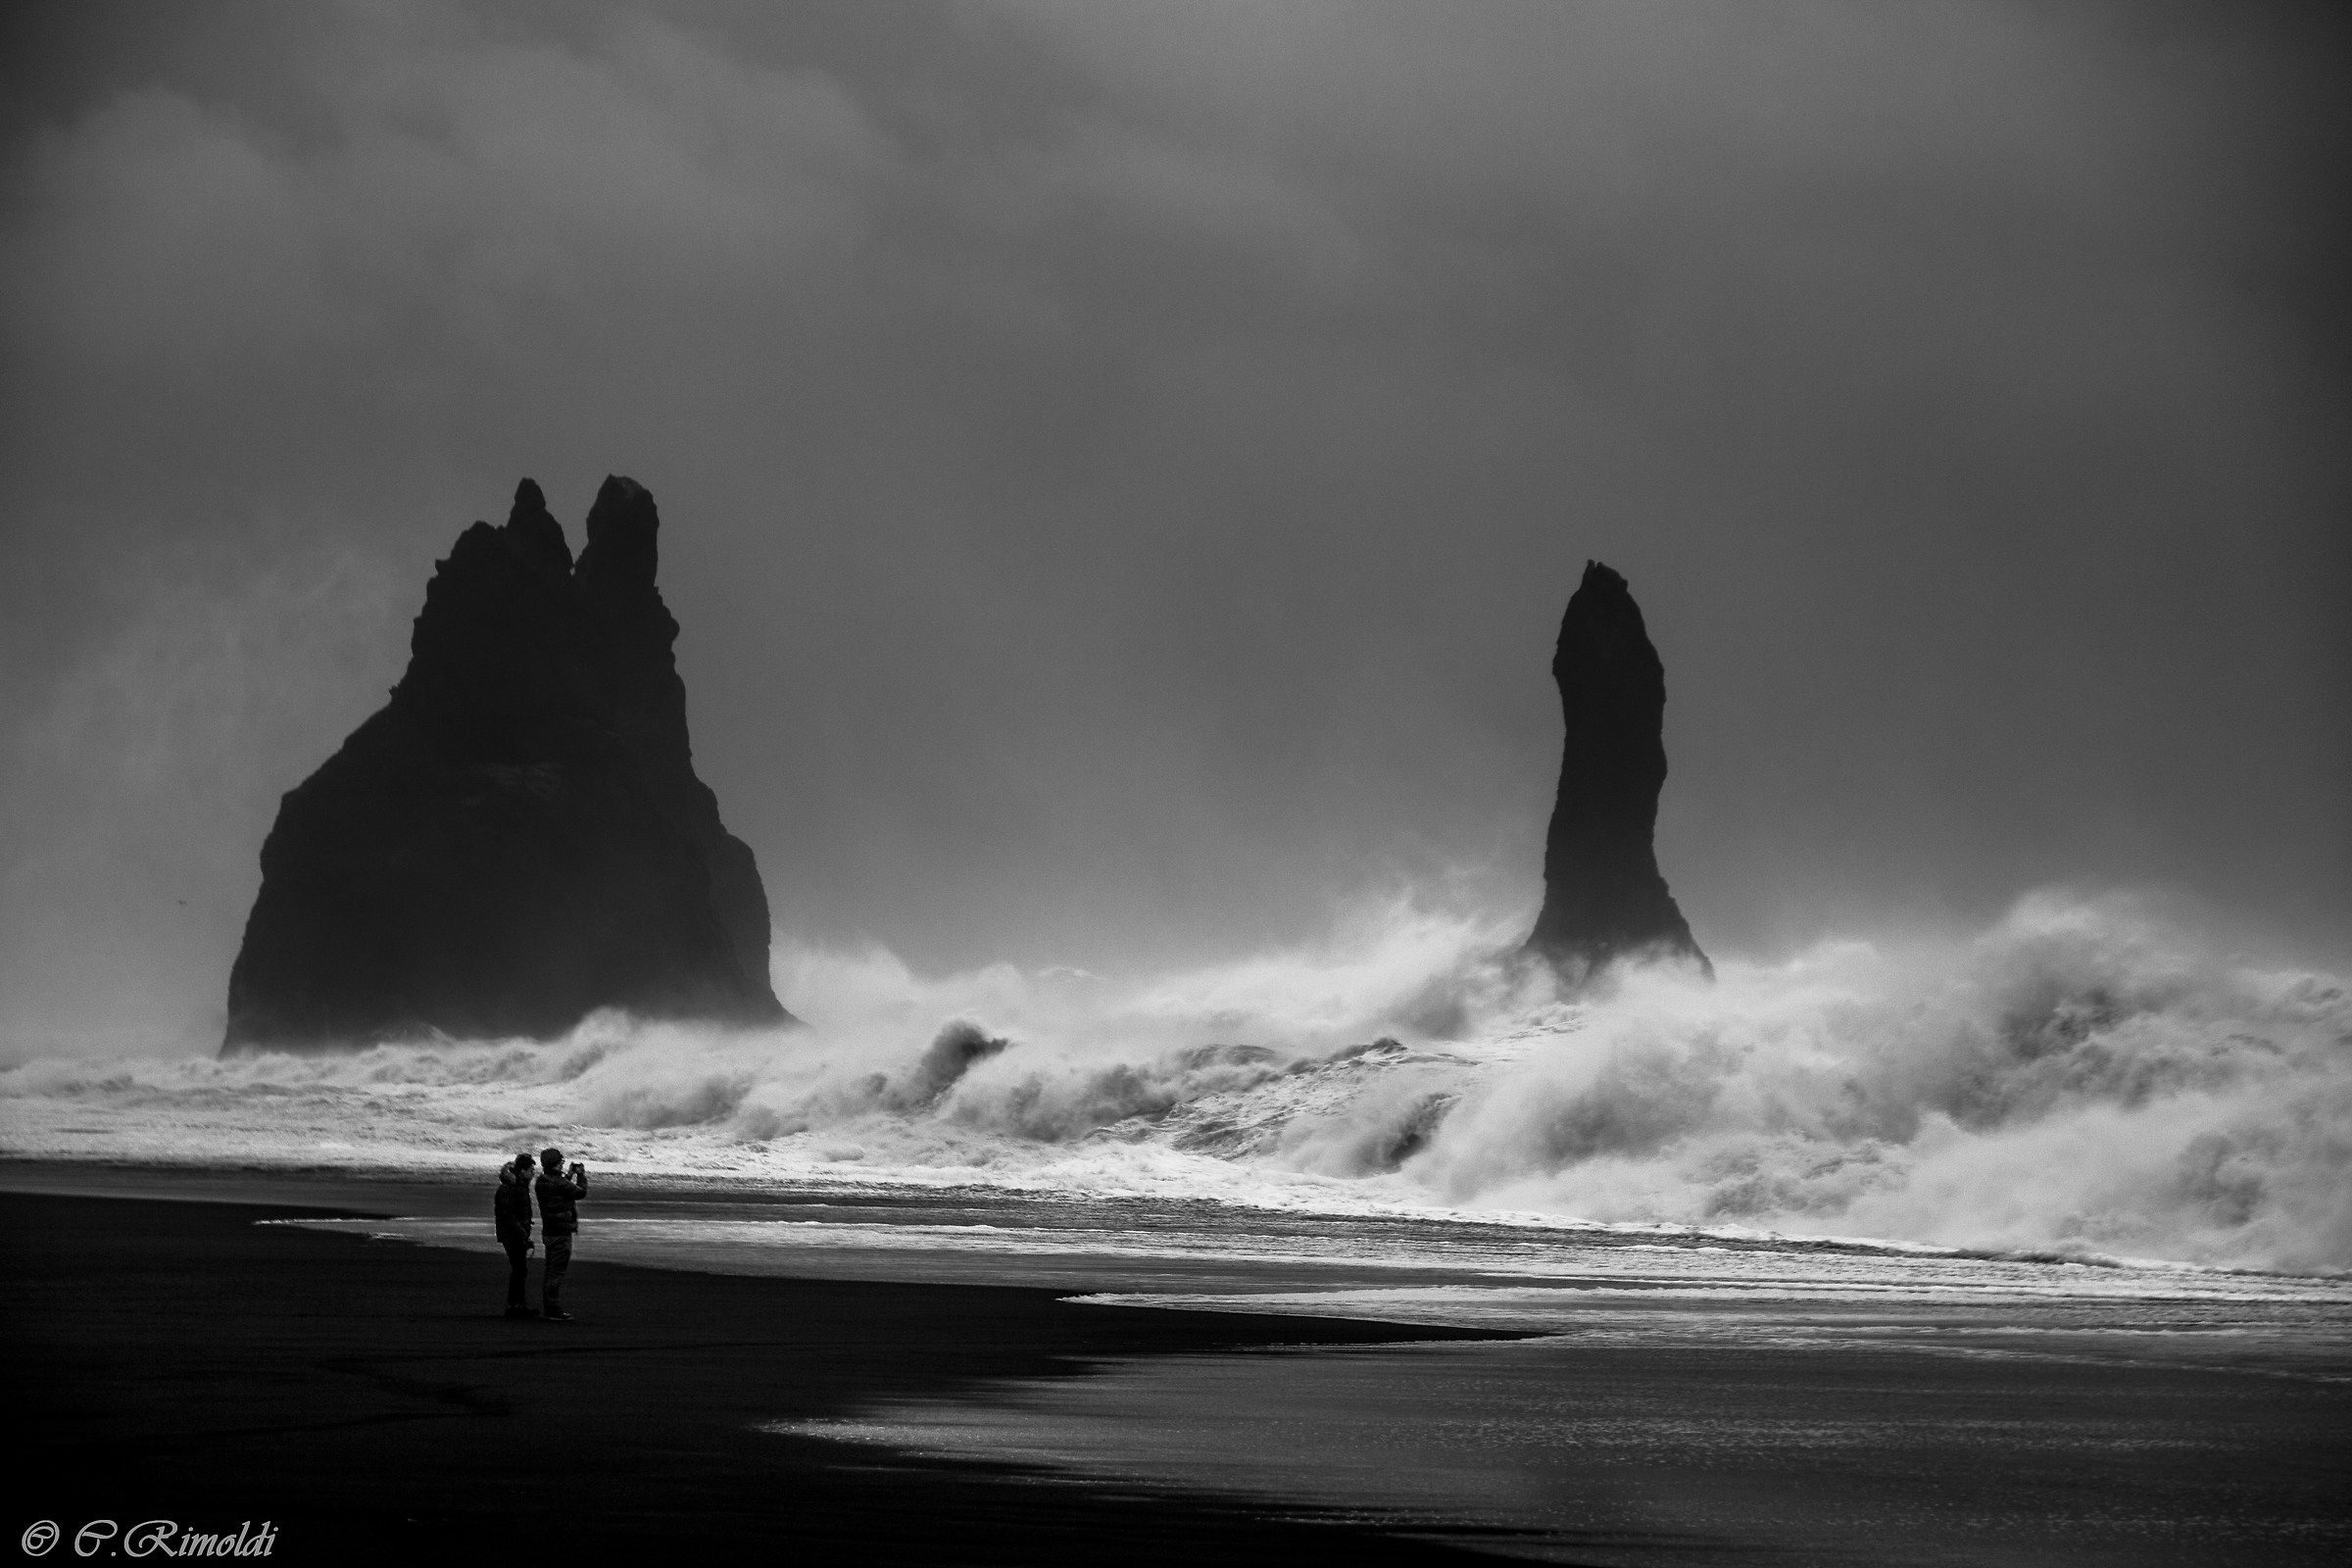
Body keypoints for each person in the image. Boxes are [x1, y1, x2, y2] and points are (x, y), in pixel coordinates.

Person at [533, 1147, 588, 1322]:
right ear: (556, 1164)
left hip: (550, 1230)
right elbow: (580, 1192)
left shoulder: (542, 1181)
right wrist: (581, 1175)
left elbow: (560, 1187)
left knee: (551, 1271)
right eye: (561, 1162)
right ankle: (552, 1308)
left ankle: (550, 1306)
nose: (563, 1164)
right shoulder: (558, 1182)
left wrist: (569, 1175)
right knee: (556, 1273)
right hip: (561, 1231)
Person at [493, 1152, 537, 1318]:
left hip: (515, 1233)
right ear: (522, 1171)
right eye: (531, 1169)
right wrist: (522, 1235)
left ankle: (517, 1304)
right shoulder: (510, 1188)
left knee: (520, 1268)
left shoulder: (520, 1185)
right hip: (511, 1234)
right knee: (519, 1268)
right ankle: (515, 1305)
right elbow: (508, 1215)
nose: (533, 1173)